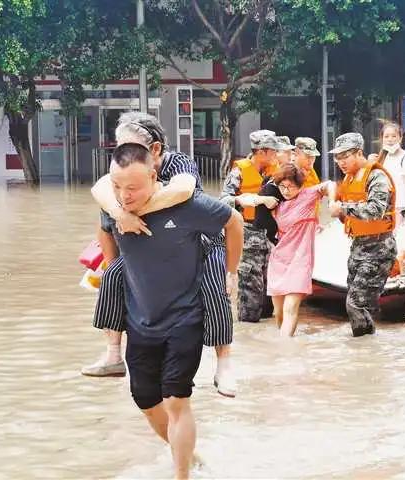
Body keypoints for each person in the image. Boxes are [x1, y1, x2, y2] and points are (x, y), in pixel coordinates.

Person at [106, 142, 243, 479]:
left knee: (176, 400)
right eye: (118, 187)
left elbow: (234, 220)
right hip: (140, 321)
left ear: (154, 176)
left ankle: (180, 475)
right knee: (145, 400)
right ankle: (189, 455)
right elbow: (104, 227)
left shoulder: (185, 205)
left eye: (133, 188)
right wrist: (110, 269)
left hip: (185, 318)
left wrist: (231, 270)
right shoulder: (112, 205)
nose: (125, 195)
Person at [85, 112, 238, 398]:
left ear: (155, 150)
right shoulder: (125, 179)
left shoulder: (178, 163)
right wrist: (120, 212)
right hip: (151, 244)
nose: (124, 155)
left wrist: (136, 206)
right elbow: (100, 191)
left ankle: (224, 362)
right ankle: (113, 353)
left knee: (215, 287)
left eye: (132, 149)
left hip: (198, 238)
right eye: (120, 149)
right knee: (114, 275)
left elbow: (181, 192)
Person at [328, 132, 397, 337]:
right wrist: (337, 205)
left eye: (345, 156)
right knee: (356, 302)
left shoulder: (376, 176)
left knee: (355, 303)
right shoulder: (350, 178)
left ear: (359, 153)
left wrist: (342, 208)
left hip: (379, 247)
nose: (340, 162)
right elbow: (335, 196)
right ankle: (367, 346)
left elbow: (375, 209)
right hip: (359, 246)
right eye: (337, 157)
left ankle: (363, 347)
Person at [220, 130, 284, 323]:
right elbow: (223, 201)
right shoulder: (239, 171)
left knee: (270, 288)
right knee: (250, 287)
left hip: (271, 236)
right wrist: (250, 200)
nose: (276, 155)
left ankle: (264, 340)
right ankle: (248, 327)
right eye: (273, 151)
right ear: (262, 151)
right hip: (248, 235)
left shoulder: (276, 171)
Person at [267, 164, 333, 336]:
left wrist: (332, 202)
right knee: (279, 312)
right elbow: (245, 199)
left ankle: (284, 348)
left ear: (300, 185)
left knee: (290, 308)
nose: (286, 191)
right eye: (283, 186)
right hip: (279, 259)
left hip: (300, 259)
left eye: (291, 186)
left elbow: (330, 185)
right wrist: (262, 200)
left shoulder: (308, 195)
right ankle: (285, 344)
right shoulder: (277, 202)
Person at [370, 122, 405, 223]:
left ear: (400, 138)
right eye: (386, 136)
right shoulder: (383, 157)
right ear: (382, 139)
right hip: (386, 208)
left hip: (401, 209)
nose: (390, 139)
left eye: (393, 136)